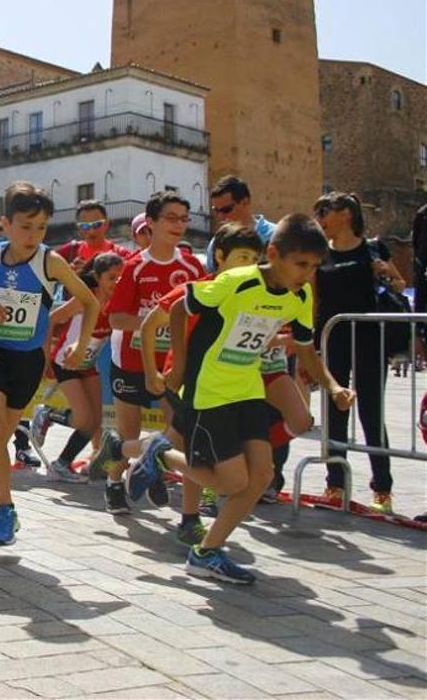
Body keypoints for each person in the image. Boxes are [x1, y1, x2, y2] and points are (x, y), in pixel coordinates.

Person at [121, 214, 354, 585]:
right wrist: (178, 364)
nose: (307, 274)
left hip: (247, 389)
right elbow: (177, 310)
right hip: (208, 392)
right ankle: (159, 453)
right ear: (274, 253)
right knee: (230, 483)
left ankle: (206, 553)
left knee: (260, 476)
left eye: (313, 267)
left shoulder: (301, 295)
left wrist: (333, 386)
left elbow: (307, 351)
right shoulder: (234, 283)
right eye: (301, 265)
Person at [0, 182, 99, 546]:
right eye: (25, 226)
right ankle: (5, 510)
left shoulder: (50, 261)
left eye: (41, 227)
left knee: (2, 435)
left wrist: (81, 343)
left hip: (26, 360)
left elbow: (89, 302)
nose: (33, 235)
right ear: (5, 224)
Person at [109, 223, 263, 546]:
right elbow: (152, 322)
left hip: (227, 390)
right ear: (219, 257)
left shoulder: (253, 293)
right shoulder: (200, 288)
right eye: (242, 256)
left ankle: (120, 449)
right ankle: (189, 518)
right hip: (192, 386)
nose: (248, 264)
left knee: (177, 444)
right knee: (195, 454)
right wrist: (155, 371)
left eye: (254, 258)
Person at [102, 191, 205, 515]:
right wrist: (155, 321)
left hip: (173, 365)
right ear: (151, 223)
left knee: (179, 431)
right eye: (171, 218)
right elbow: (115, 318)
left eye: (184, 219)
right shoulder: (134, 268)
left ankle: (152, 465)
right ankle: (114, 482)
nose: (179, 225)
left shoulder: (191, 266)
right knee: (128, 434)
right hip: (131, 361)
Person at [313, 192, 406, 513]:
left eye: (326, 211)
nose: (321, 218)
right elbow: (315, 301)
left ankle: (382, 490)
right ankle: (335, 485)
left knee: (370, 411)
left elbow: (399, 285)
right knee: (335, 409)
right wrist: (312, 343)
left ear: (347, 214)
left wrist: (386, 273)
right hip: (333, 337)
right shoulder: (320, 253)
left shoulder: (372, 249)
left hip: (369, 339)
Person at [30, 251, 124, 482]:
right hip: (66, 362)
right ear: (97, 277)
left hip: (88, 364)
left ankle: (61, 464)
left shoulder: (118, 302)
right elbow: (52, 318)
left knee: (96, 421)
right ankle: (48, 414)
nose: (117, 282)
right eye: (112, 277)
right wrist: (45, 355)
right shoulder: (85, 298)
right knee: (84, 419)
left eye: (121, 277)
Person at [205, 175, 277, 271]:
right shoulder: (216, 243)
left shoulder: (275, 236)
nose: (221, 216)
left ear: (245, 202)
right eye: (216, 210)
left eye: (226, 210)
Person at [54, 200, 132, 270]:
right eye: (85, 226)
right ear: (78, 228)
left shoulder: (121, 254)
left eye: (97, 225)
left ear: (106, 224)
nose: (92, 231)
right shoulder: (69, 252)